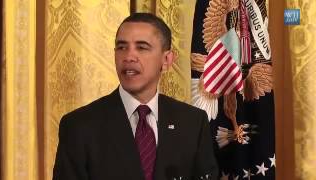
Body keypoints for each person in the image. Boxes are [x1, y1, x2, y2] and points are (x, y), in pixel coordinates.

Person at [53, 13, 218, 180]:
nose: (129, 57)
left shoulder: (193, 122)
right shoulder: (79, 127)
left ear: (167, 59)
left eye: (142, 47)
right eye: (122, 47)